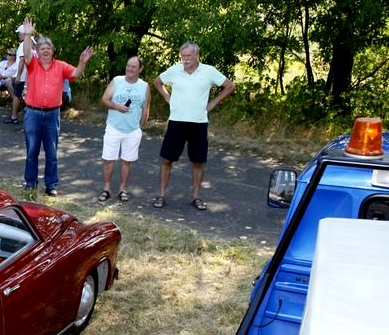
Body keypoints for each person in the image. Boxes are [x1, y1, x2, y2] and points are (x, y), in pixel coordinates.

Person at [152, 42, 235, 211]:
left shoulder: (209, 71)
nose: (185, 59)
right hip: (177, 121)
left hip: (199, 122)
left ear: (197, 55)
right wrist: (168, 98)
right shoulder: (174, 70)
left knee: (198, 161)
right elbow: (157, 82)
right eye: (183, 56)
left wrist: (212, 104)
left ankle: (196, 197)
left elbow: (229, 86)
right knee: (167, 159)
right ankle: (161, 195)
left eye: (188, 56)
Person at [19, 17, 94, 196]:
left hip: (52, 115)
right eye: (42, 48)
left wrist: (83, 62)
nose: (45, 50)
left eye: (48, 48)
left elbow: (76, 73)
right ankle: (30, 183)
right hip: (33, 113)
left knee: (51, 153)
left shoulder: (60, 66)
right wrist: (28, 35)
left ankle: (51, 185)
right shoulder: (32, 64)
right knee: (32, 151)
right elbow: (27, 52)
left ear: (53, 51)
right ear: (38, 51)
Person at [99, 56, 151, 203]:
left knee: (127, 161)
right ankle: (106, 189)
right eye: (128, 66)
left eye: (134, 66)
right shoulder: (117, 81)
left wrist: (140, 128)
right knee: (109, 159)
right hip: (114, 127)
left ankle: (122, 189)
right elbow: (104, 100)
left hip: (133, 130)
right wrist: (117, 107)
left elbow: (146, 109)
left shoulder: (144, 86)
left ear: (140, 69)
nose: (130, 69)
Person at [5, 25, 36, 125]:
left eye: (19, 33)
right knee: (28, 96)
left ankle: (14, 117)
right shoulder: (33, 44)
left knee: (16, 96)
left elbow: (22, 60)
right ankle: (30, 118)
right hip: (30, 75)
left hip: (23, 76)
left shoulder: (24, 44)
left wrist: (18, 75)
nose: (18, 35)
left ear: (23, 33)